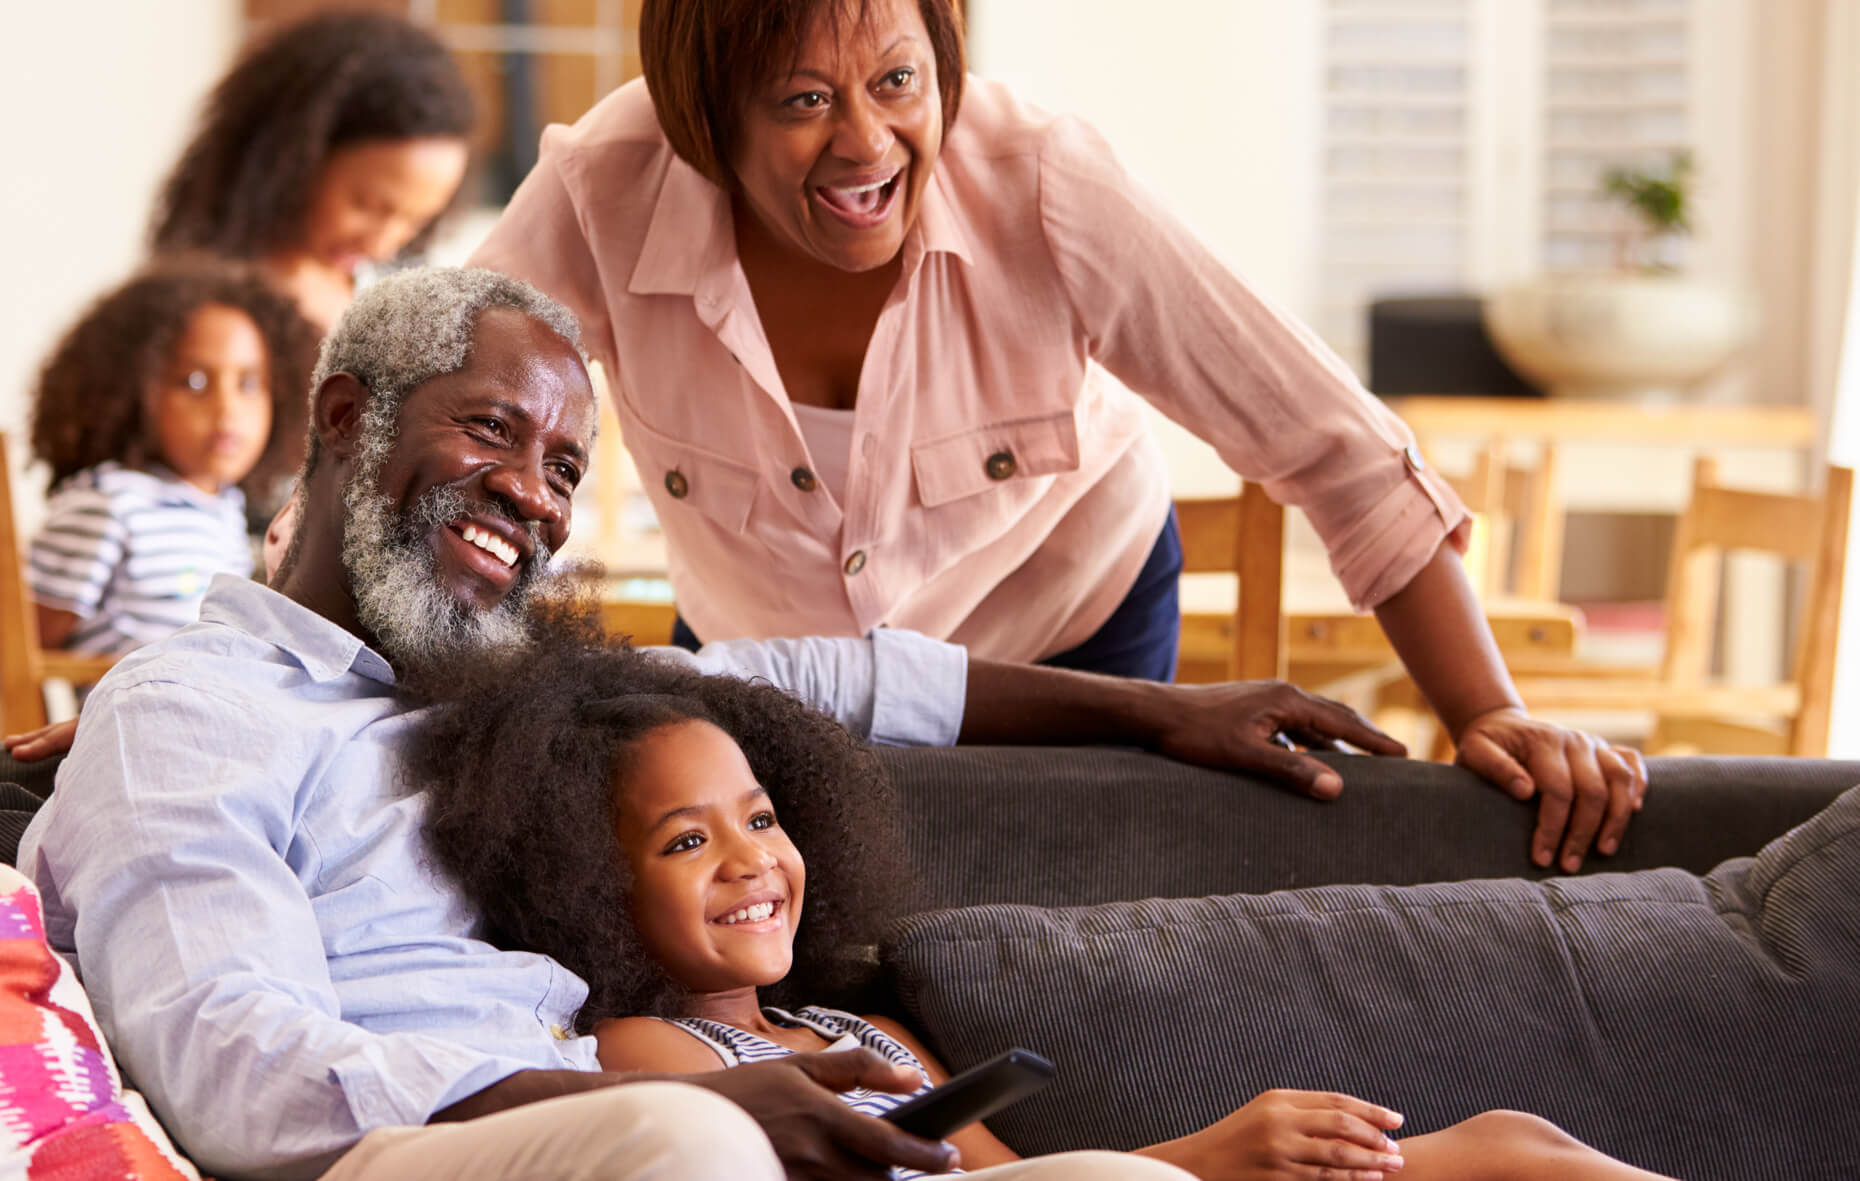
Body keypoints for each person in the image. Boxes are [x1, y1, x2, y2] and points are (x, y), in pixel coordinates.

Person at [16, 267, 1396, 1180]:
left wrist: (1162, 710)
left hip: (607, 1120)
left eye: (564, 470)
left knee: (1103, 1179)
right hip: (397, 1155)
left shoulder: (500, 695)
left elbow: (840, 677)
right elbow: (233, 1069)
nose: (534, 499)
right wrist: (639, 1099)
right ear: (346, 419)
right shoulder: (188, 711)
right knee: (694, 1147)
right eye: (494, 432)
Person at [469, 0, 1646, 873]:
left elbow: (1329, 441)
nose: (867, 145)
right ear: (704, 118)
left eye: (897, 81)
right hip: (777, 659)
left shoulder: (1043, 181)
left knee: (1050, 934)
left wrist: (1489, 712)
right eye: (804, 100)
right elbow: (438, 410)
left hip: (1067, 638)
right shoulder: (602, 190)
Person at [408, 634, 1676, 1181]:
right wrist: (1219, 1151)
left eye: (759, 816)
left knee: (1514, 1138)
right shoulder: (650, 1055)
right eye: (688, 839)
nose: (750, 858)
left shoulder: (875, 1037)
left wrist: (1210, 1156)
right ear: (592, 883)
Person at [25, 257, 319, 656]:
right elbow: (19, 656)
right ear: (133, 390)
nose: (227, 409)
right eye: (195, 382)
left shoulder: (225, 511)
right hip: (129, 712)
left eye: (249, 383)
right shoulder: (109, 503)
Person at [150, 9, 475, 331]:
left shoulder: (384, 294)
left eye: (416, 220)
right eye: (369, 206)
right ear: (292, 159)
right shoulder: (208, 315)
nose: (381, 246)